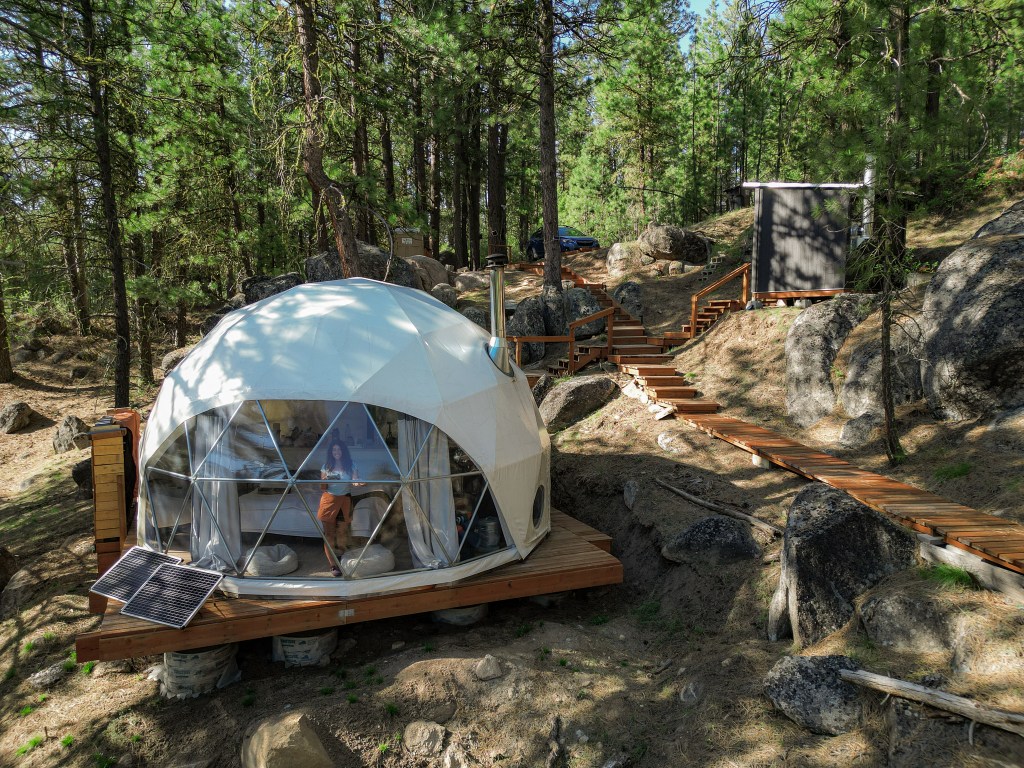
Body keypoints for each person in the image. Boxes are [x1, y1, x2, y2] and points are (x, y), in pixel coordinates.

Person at [318, 440, 360, 576]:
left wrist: (358, 483)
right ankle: (333, 565)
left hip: (345, 501)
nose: (337, 452)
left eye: (339, 450)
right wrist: (325, 480)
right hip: (329, 502)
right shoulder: (326, 466)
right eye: (334, 450)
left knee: (342, 532)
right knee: (329, 535)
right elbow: (322, 488)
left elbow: (354, 480)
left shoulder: (351, 464)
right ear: (331, 452)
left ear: (343, 452)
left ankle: (341, 559)